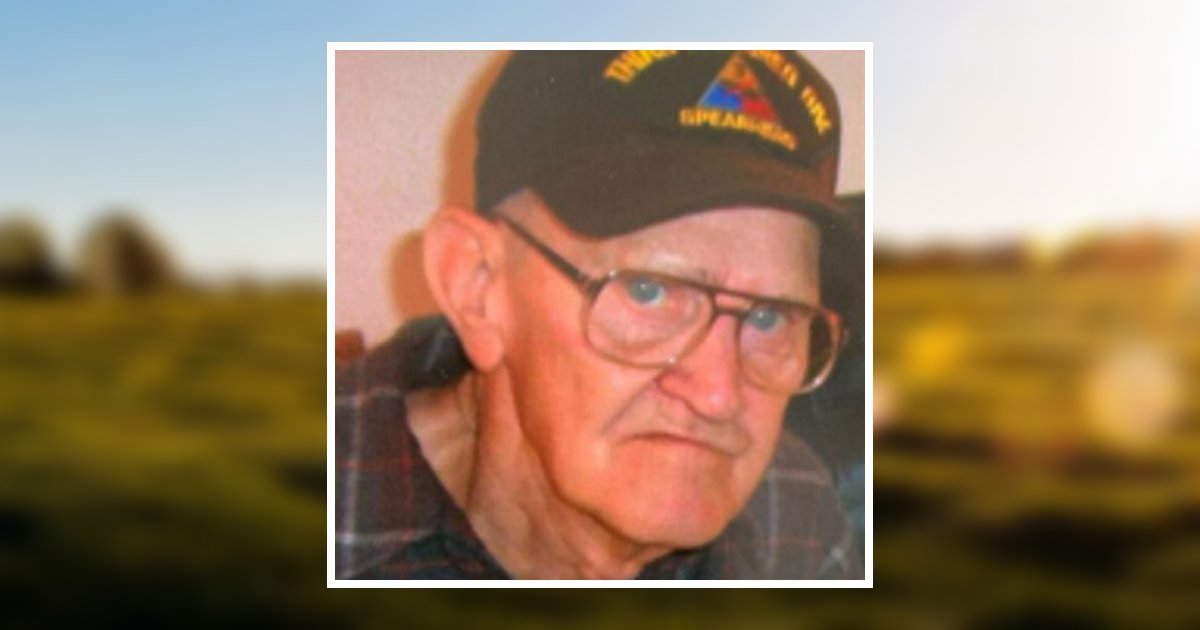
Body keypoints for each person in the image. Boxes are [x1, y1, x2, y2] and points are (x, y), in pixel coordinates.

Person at [336, 50, 863, 580]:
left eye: (771, 317)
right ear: (476, 285)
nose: (718, 395)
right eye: (648, 291)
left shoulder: (792, 515)